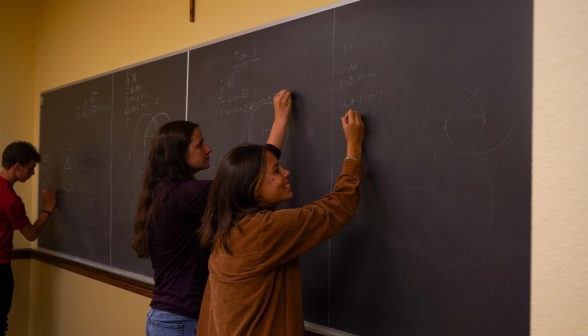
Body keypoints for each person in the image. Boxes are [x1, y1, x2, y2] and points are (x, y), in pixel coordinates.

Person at [132, 89, 293, 336]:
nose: (208, 148)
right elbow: (250, 178)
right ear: (180, 154)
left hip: (169, 318)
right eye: (199, 144)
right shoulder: (185, 194)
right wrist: (280, 121)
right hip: (182, 322)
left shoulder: (164, 192)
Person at [197, 108, 365, 335]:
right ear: (253, 189)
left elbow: (258, 167)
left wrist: (280, 122)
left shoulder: (227, 230)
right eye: (276, 170)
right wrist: (353, 147)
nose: (286, 172)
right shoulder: (263, 231)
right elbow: (338, 207)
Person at [0, 141, 56, 336]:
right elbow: (31, 234)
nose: (32, 174)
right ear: (17, 167)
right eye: (31, 168)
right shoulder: (10, 200)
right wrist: (47, 209)